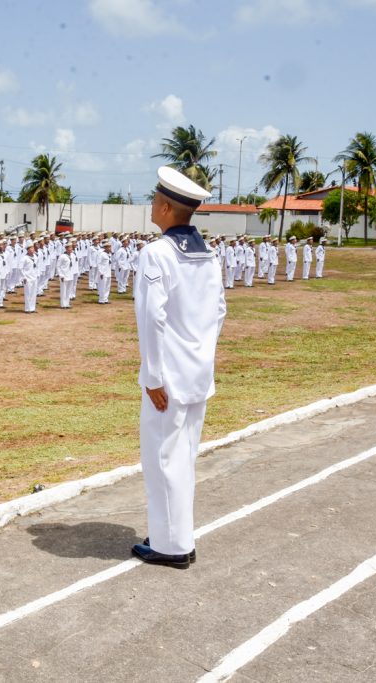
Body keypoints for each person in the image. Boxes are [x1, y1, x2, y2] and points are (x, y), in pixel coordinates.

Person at [132, 166, 226, 568]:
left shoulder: (157, 254)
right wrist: (201, 356)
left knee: (162, 460)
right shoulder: (207, 255)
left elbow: (151, 317)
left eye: (155, 200)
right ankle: (176, 534)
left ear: (167, 207)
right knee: (183, 458)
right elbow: (218, 312)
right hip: (197, 374)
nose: (152, 205)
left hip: (167, 379)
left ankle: (172, 548)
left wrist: (153, 376)